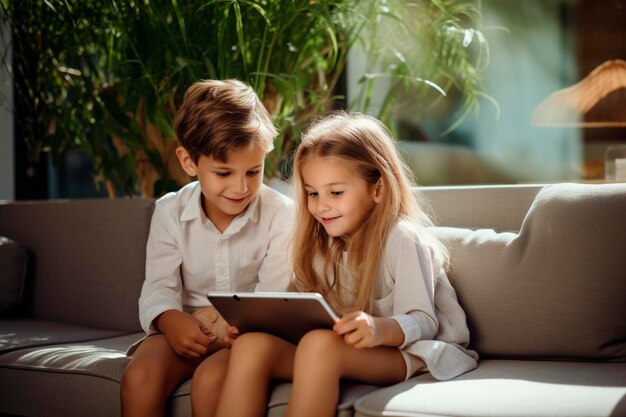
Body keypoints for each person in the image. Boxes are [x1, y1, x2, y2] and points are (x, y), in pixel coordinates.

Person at [212, 111, 478, 417]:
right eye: (313, 193)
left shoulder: (402, 239)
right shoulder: (321, 245)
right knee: (251, 345)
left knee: (318, 345)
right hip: (352, 350)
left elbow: (424, 320)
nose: (321, 205)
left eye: (336, 192)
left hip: (413, 353)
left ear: (377, 188)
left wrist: (380, 329)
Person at [120, 79, 295, 417]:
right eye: (223, 172)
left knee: (211, 381)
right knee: (140, 377)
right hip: (188, 330)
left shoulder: (282, 215)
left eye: (253, 171)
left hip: (244, 336)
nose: (240, 187)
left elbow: (272, 298)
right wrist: (170, 320)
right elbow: (159, 286)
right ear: (188, 161)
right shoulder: (169, 212)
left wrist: (225, 326)